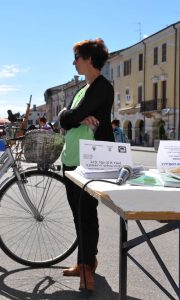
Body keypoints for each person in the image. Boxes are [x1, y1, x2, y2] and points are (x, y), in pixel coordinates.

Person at [58, 38, 114, 291]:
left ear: (90, 59)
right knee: (77, 215)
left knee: (86, 215)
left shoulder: (103, 87)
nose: (74, 62)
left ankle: (88, 266)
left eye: (77, 57)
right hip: (71, 160)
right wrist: (72, 116)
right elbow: (65, 118)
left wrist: (73, 117)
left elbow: (72, 116)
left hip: (91, 162)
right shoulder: (83, 89)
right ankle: (83, 263)